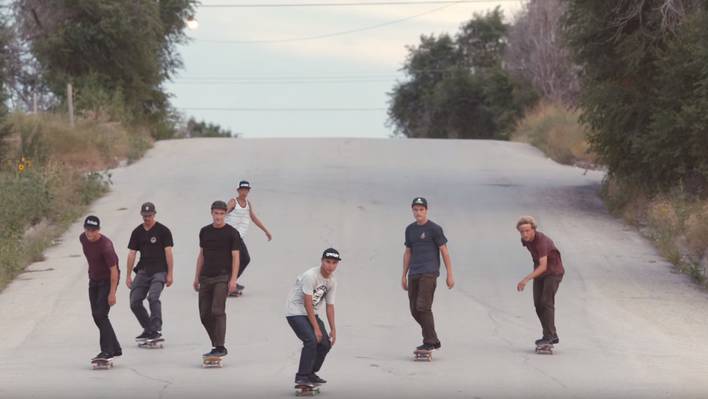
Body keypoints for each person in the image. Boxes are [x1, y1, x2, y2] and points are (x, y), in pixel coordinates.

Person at [402, 197, 454, 352]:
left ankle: (429, 340)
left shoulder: (434, 229)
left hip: (429, 272)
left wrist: (449, 274)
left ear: (426, 210)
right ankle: (432, 338)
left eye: (421, 209)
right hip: (414, 272)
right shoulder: (410, 229)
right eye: (415, 209)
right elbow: (407, 252)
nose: (418, 212)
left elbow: (444, 251)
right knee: (414, 309)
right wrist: (403, 275)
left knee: (423, 306)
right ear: (412, 210)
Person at [285, 248, 340, 386]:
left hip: (311, 313)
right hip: (295, 311)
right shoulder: (311, 275)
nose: (330, 266)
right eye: (328, 262)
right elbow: (307, 303)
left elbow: (330, 306)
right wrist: (316, 328)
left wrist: (333, 329)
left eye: (334, 263)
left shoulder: (332, 281)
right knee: (311, 340)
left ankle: (310, 372)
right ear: (322, 261)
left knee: (325, 343)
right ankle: (302, 377)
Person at [193, 200, 241, 357]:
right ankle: (216, 344)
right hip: (205, 277)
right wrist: (196, 277)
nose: (218, 216)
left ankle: (220, 346)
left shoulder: (232, 233)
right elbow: (201, 255)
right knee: (204, 314)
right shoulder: (204, 231)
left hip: (222, 277)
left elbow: (236, 257)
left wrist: (233, 279)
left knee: (217, 310)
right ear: (211, 213)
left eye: (221, 213)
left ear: (225, 214)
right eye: (216, 213)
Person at [126, 202, 174, 343]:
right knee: (134, 301)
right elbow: (132, 254)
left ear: (154, 214)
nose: (147, 218)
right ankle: (149, 329)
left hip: (159, 271)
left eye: (150, 215)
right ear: (141, 215)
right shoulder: (137, 232)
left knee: (153, 297)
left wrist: (170, 273)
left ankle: (156, 329)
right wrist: (128, 275)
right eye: (144, 215)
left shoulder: (163, 231)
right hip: (143, 271)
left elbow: (169, 253)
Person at [516, 216, 565, 346]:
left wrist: (525, 279)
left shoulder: (541, 241)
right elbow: (537, 260)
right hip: (540, 273)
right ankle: (551, 334)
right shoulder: (525, 240)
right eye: (521, 231)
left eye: (527, 230)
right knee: (538, 304)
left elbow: (543, 265)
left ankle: (548, 336)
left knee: (546, 302)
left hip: (553, 272)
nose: (524, 234)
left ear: (534, 229)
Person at [80, 215, 122, 361]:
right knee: (96, 315)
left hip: (108, 280)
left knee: (101, 315)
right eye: (87, 230)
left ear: (98, 230)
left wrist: (112, 293)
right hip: (94, 280)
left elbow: (114, 271)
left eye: (93, 230)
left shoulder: (106, 246)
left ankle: (107, 351)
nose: (89, 233)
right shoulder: (83, 238)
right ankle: (115, 348)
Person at [226, 180, 272, 296]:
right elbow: (223, 213)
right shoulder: (233, 202)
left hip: (238, 237)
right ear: (238, 190)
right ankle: (229, 284)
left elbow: (253, 218)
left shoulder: (247, 203)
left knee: (242, 260)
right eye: (242, 189)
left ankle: (231, 282)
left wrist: (265, 231)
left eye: (247, 190)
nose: (244, 191)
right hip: (230, 236)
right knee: (244, 259)